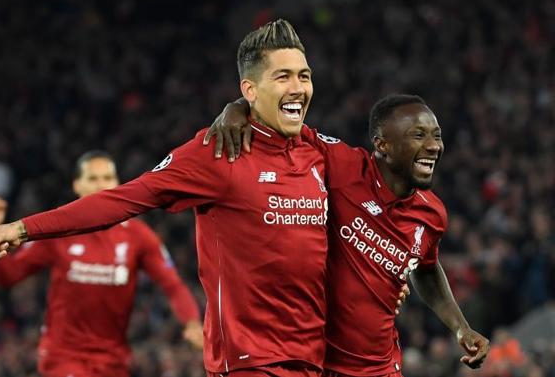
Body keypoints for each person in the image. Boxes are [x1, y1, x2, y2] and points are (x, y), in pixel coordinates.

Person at [0, 20, 331, 377]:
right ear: (249, 90)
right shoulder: (217, 153)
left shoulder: (321, 154)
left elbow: (376, 198)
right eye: (283, 76)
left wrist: (393, 271)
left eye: (304, 76)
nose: (298, 86)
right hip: (249, 360)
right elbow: (123, 199)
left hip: (312, 355)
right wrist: (20, 228)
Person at [205, 93, 490, 377]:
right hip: (315, 362)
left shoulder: (432, 213)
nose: (433, 146)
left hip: (380, 368)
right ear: (382, 144)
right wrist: (240, 107)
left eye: (436, 136)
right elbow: (284, 122)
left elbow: (426, 269)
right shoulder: (343, 166)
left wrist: (460, 327)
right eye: (419, 135)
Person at [0, 151, 202, 377]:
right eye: (93, 179)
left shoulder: (139, 236)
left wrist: (192, 322)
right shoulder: (57, 233)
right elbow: (9, 277)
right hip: (63, 358)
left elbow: (173, 286)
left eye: (107, 178)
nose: (102, 185)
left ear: (118, 183)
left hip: (113, 361)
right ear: (77, 185)